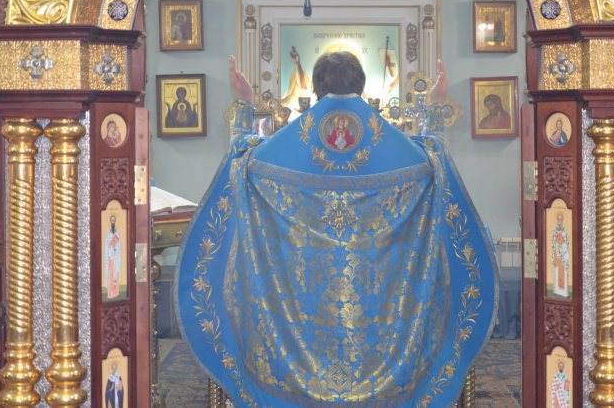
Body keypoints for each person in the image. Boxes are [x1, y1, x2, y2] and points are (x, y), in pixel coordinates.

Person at [176, 52, 498, 407]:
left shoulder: (280, 151)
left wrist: (244, 104)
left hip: (302, 309)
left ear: (315, 87)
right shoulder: (400, 151)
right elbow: (436, 159)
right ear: (362, 85)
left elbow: (240, 161)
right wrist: (435, 107)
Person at [551, 212, 570, 298]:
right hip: (557, 254)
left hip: (563, 254)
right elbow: (553, 241)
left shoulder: (565, 230)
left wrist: (562, 243)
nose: (560, 220)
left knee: (563, 272)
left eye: (561, 219)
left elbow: (567, 241)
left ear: (563, 220)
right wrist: (557, 241)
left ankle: (564, 293)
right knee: (556, 272)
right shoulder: (555, 230)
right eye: (558, 219)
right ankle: (556, 291)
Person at [105, 215, 121, 299]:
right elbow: (106, 245)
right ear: (110, 221)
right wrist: (111, 246)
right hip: (110, 258)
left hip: (116, 257)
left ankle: (116, 292)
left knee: (116, 273)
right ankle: (110, 293)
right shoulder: (108, 233)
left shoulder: (117, 232)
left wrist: (116, 249)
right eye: (111, 220)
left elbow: (119, 246)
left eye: (114, 220)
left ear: (115, 221)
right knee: (110, 275)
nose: (113, 221)